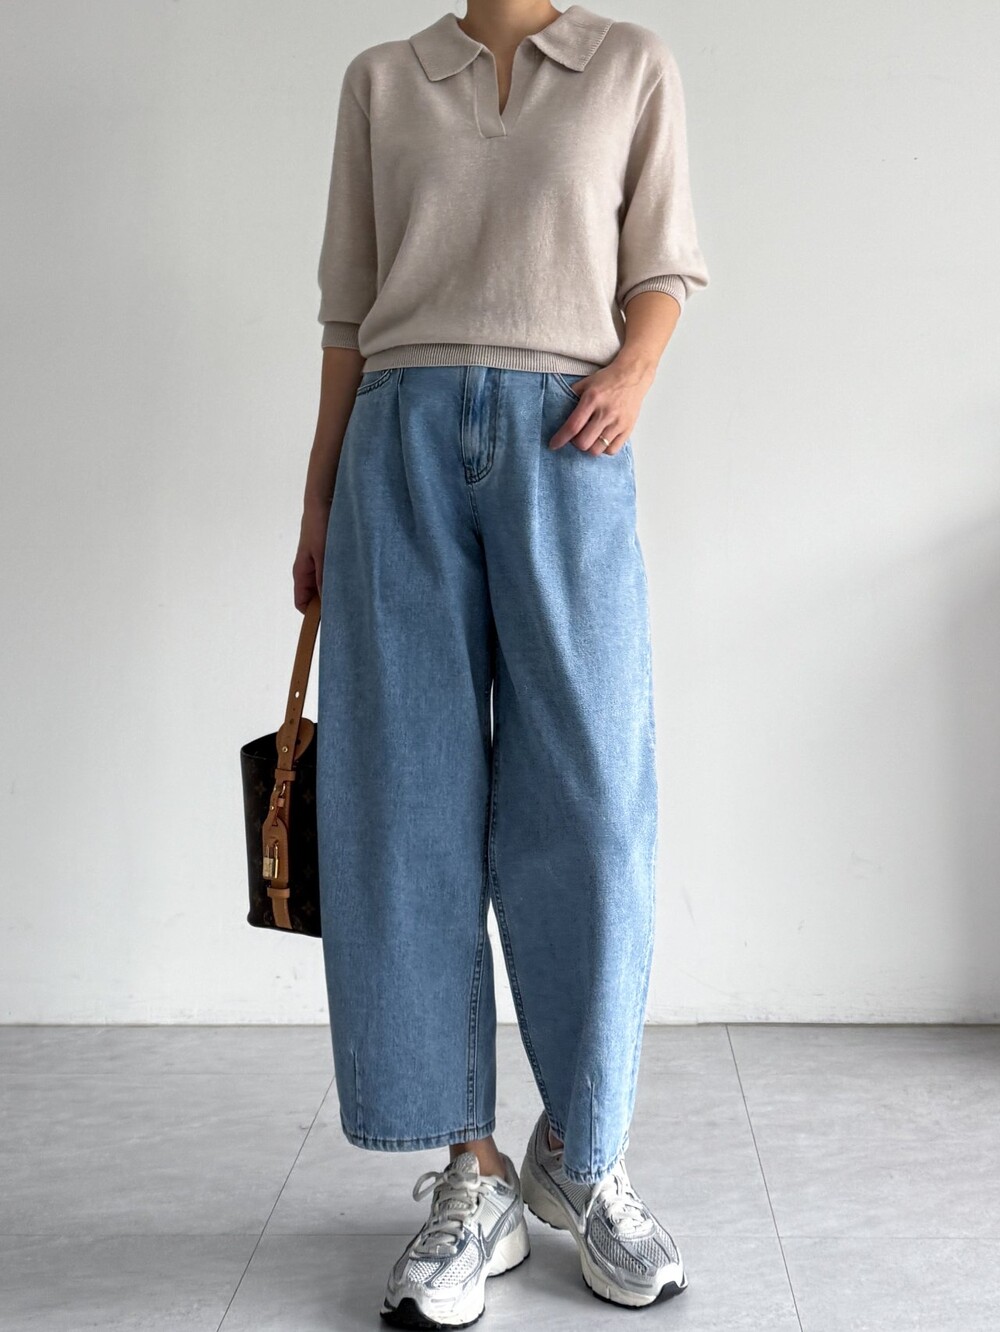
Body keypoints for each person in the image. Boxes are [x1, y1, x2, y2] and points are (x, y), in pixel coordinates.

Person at [293, 2, 710, 1325]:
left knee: (593, 804)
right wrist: (319, 495)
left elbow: (663, 262)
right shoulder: (383, 80)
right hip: (398, 441)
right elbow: (349, 311)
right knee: (406, 806)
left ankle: (582, 1155)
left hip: (567, 440)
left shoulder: (629, 64)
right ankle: (468, 1171)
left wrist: (636, 371)